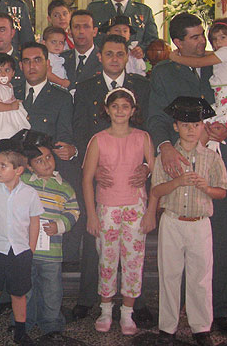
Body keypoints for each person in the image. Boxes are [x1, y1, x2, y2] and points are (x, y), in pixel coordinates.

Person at [147, 12, 227, 335]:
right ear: (178, 42)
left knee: (223, 238)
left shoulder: (222, 60)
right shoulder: (165, 72)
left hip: (221, 164)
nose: (204, 41)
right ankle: (180, 309)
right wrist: (165, 147)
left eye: (204, 35)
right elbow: (155, 116)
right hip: (180, 164)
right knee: (181, 241)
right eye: (196, 37)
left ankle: (220, 308)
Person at [70, 34, 152, 323]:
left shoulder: (141, 86)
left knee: (133, 252)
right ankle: (89, 299)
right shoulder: (86, 87)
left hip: (132, 179)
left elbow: (149, 127)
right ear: (100, 57)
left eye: (120, 53)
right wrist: (89, 165)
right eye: (109, 53)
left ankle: (134, 305)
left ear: (127, 56)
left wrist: (148, 167)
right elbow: (79, 128)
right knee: (98, 247)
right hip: (100, 176)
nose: (115, 58)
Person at [151, 96, 227, 346]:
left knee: (200, 277)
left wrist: (206, 188)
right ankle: (167, 327)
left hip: (200, 223)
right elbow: (156, 191)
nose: (190, 130)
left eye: (195, 125)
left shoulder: (211, 158)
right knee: (169, 275)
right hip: (172, 221)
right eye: (185, 125)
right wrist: (177, 182)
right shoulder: (165, 157)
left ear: (202, 127)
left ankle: (201, 327)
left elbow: (222, 191)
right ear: (175, 127)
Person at [82, 88, 156, 335]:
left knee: (133, 262)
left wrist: (151, 211)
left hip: (136, 208)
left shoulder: (143, 138)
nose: (120, 111)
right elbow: (87, 178)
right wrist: (92, 214)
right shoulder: (99, 139)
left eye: (125, 106)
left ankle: (127, 313)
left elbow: (157, 176)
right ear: (107, 110)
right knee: (107, 261)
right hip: (107, 210)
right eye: (115, 106)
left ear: (133, 111)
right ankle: (105, 310)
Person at [168, 18, 227, 198]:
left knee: (203, 126)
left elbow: (198, 62)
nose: (217, 42)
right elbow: (206, 56)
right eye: (215, 39)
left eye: (222, 37)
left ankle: (195, 162)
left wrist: (176, 57)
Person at [0, 138, 44, 345]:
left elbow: (34, 222)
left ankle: (20, 331)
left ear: (18, 170)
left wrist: (29, 249)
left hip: (19, 252)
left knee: (19, 294)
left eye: (2, 166)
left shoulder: (30, 194)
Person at [20, 132, 80, 339]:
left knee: (52, 290)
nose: (46, 163)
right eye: (39, 161)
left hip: (51, 252)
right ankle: (23, 321)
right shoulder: (24, 182)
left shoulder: (64, 187)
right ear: (29, 166)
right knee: (25, 288)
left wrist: (60, 225)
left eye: (48, 158)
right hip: (25, 248)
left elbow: (73, 212)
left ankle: (52, 323)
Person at [16, 42, 76, 178]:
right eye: (27, 61)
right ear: (21, 66)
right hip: (14, 174)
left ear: (48, 64)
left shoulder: (61, 98)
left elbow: (64, 139)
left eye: (37, 60)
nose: (32, 66)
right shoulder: (10, 94)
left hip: (46, 174)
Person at [87, 0, 159, 54]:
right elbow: (87, 37)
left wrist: (142, 49)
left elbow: (153, 41)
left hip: (134, 63)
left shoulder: (144, 11)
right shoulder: (94, 9)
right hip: (101, 64)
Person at [61, 9, 102, 95]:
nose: (81, 31)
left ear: (95, 32)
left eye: (86, 27)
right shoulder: (62, 58)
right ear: (70, 32)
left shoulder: (104, 59)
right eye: (76, 27)